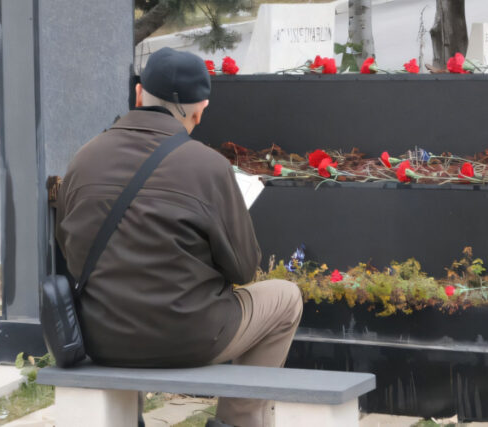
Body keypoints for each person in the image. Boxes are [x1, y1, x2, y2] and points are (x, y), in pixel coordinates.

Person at [52, 47, 303, 427]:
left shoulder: (83, 158)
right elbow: (244, 269)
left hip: (101, 335)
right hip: (192, 336)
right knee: (286, 298)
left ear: (138, 94)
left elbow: (70, 250)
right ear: (199, 110)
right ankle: (237, 420)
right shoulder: (209, 167)